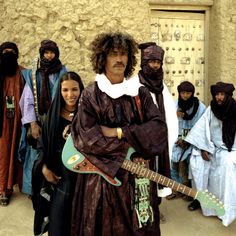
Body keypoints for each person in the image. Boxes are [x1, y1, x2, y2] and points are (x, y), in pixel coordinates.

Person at [70, 32, 168, 236]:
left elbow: (159, 130)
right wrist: (132, 150)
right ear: (102, 58)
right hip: (104, 182)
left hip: (138, 180)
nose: (119, 59)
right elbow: (88, 140)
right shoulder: (91, 95)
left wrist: (120, 132)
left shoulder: (139, 92)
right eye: (114, 54)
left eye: (124, 54)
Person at [32, 71, 84, 236]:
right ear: (60, 92)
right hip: (60, 183)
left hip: (84, 182)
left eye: (74, 89)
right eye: (65, 90)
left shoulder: (87, 116)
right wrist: (44, 169)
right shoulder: (52, 117)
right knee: (58, 227)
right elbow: (42, 146)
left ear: (81, 90)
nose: (70, 95)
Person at [132, 42, 179, 223]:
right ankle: (141, 214)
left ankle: (156, 210)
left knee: (158, 173)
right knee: (143, 177)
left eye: (157, 62)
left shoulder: (162, 86)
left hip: (160, 141)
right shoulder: (135, 85)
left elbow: (168, 112)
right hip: (143, 141)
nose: (154, 66)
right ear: (144, 62)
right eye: (151, 62)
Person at [19, 39, 67, 195]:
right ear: (42, 54)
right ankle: (34, 188)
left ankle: (54, 187)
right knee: (37, 155)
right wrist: (33, 123)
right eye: (46, 52)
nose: (49, 55)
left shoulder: (63, 72)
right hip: (40, 122)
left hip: (58, 122)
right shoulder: (34, 74)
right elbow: (27, 100)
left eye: (52, 52)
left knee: (55, 154)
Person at [185, 82, 236, 226]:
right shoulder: (211, 110)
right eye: (217, 95)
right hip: (212, 148)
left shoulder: (235, 110)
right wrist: (203, 148)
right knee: (196, 160)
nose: (219, 98)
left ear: (228, 96)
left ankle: (227, 209)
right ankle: (202, 201)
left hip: (232, 151)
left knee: (227, 167)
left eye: (222, 95)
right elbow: (201, 130)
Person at [166, 81, 206, 201]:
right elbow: (169, 124)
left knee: (191, 165)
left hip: (193, 141)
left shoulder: (200, 107)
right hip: (177, 140)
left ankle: (189, 191)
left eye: (188, 93)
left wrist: (187, 140)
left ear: (192, 93)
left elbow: (201, 128)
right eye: (183, 93)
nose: (185, 96)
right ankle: (177, 189)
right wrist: (174, 116)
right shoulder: (174, 106)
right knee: (172, 164)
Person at [0, 42, 25, 206]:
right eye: (5, 52)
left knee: (19, 153)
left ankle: (17, 186)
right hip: (1, 122)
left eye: (12, 52)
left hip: (19, 121)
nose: (8, 54)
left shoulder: (23, 73)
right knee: (3, 155)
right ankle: (3, 189)